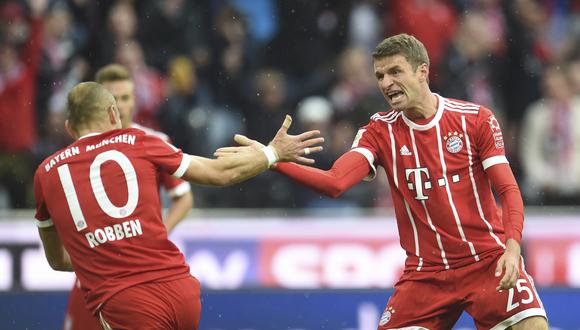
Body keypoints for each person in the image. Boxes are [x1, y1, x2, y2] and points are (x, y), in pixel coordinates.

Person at [225, 34, 548, 329]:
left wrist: (512, 245)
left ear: (423, 71)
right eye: (380, 75)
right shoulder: (378, 132)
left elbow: (507, 189)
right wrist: (272, 159)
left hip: (487, 262)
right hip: (426, 275)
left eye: (395, 72)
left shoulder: (475, 119)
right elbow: (335, 182)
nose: (386, 82)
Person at [34, 81, 323, 329]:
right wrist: (272, 153)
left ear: (69, 127)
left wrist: (102, 253)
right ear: (113, 114)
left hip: (126, 302)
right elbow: (218, 173)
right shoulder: (140, 140)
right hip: (180, 290)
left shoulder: (46, 174)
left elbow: (58, 260)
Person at [62, 64, 194, 330]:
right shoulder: (75, 153)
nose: (119, 106)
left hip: (140, 271)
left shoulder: (152, 140)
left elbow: (184, 197)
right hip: (96, 271)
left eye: (125, 98)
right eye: (113, 98)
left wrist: (156, 236)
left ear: (135, 100)